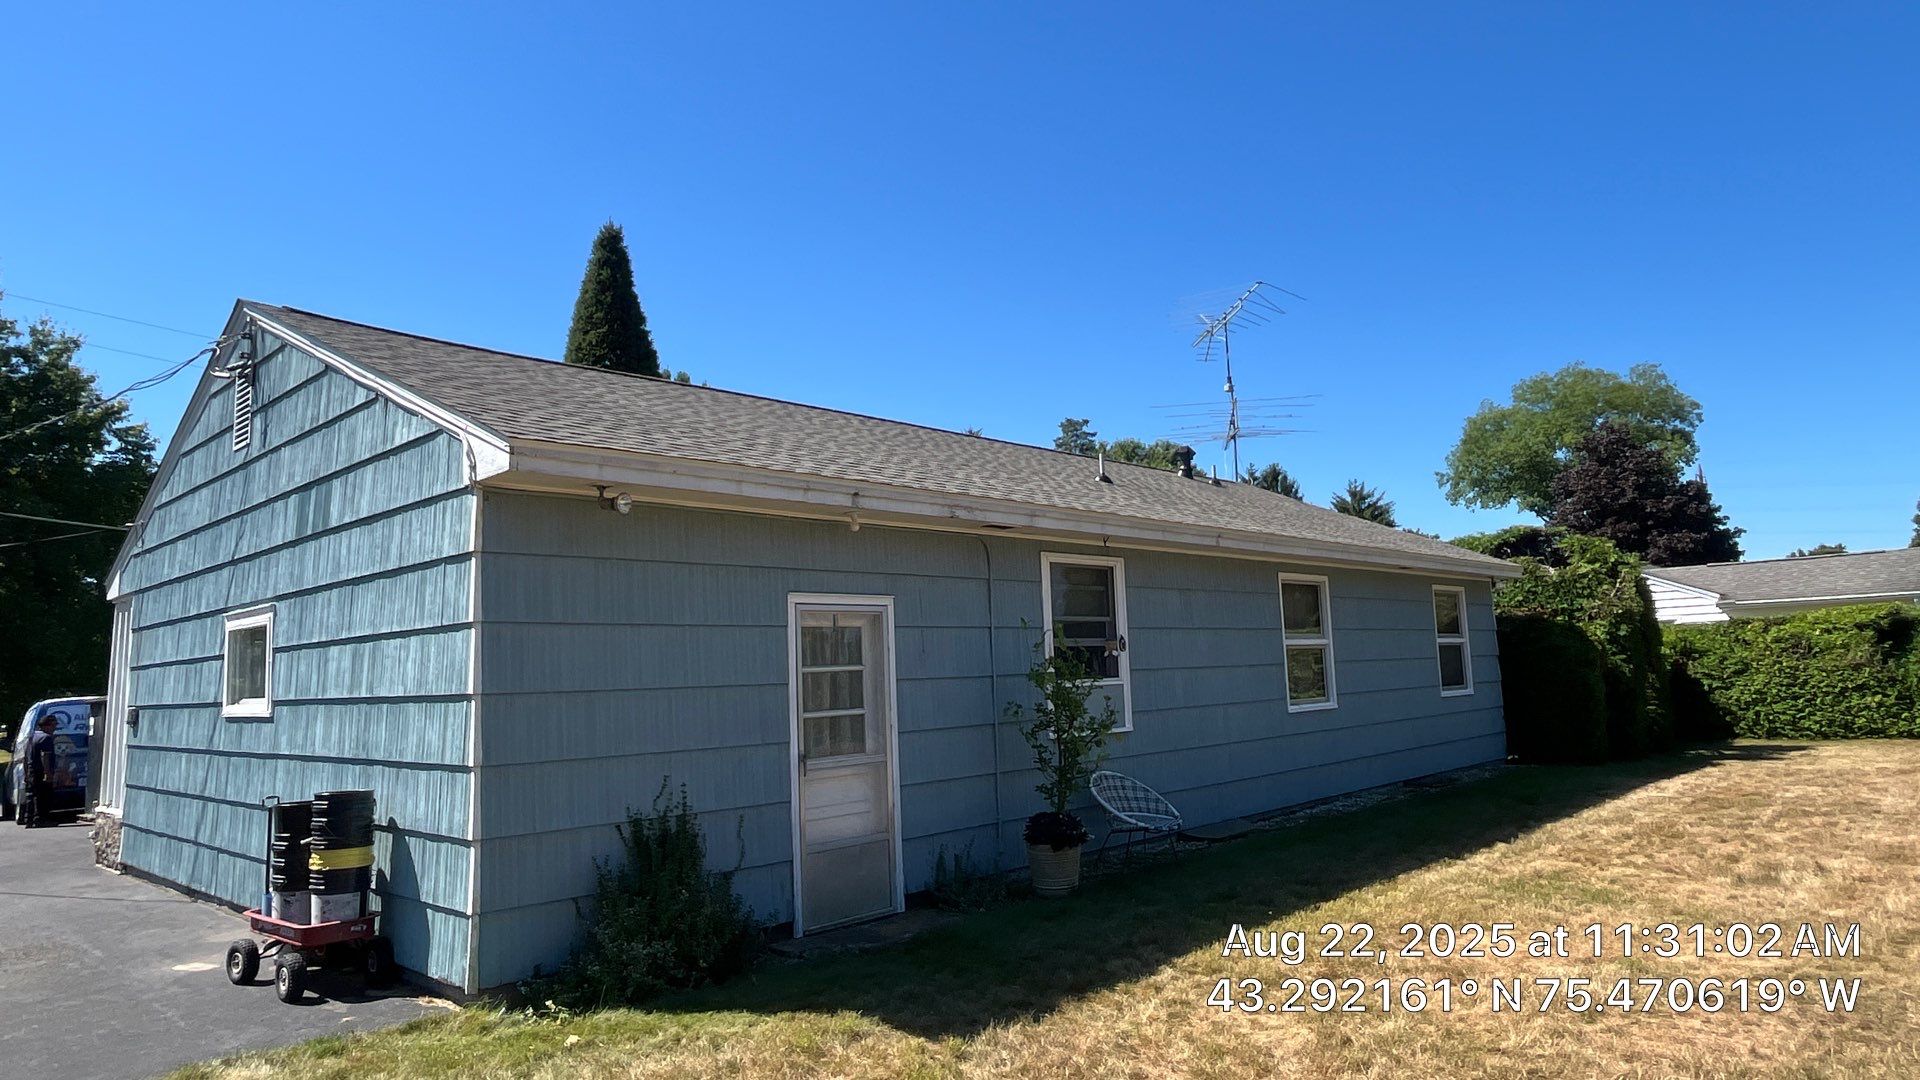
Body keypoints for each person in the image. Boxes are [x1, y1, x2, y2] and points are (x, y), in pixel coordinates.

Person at [20, 714, 57, 828]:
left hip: (31, 771)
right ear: (46, 726)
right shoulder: (46, 738)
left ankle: (29, 819)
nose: (54, 728)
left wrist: (26, 773)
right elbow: (45, 756)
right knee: (43, 796)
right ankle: (41, 819)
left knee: (31, 795)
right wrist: (47, 773)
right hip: (41, 772)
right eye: (53, 725)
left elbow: (25, 757)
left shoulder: (32, 738)